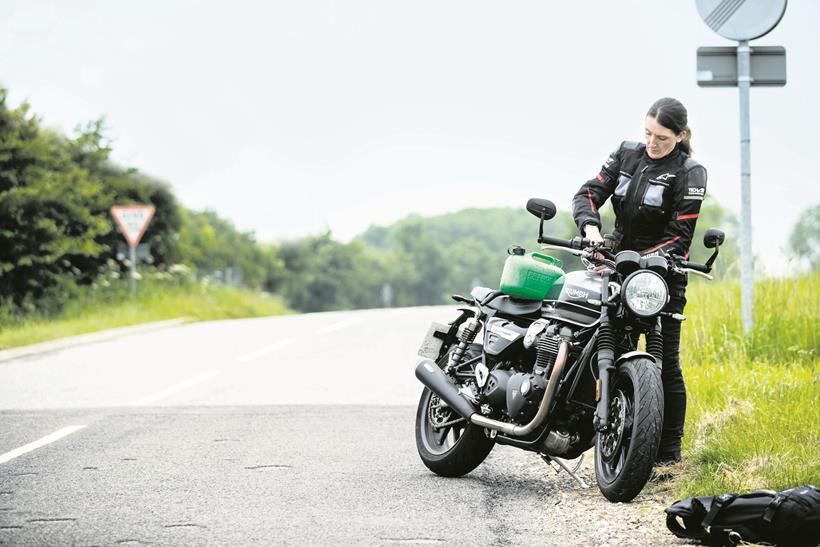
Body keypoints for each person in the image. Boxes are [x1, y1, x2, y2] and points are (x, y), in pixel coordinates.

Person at [571, 97, 707, 464]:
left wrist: (646, 260)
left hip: (663, 275)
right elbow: (588, 193)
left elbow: (681, 234)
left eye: (661, 138)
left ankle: (667, 458)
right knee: (594, 339)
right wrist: (591, 228)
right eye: (647, 133)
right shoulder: (626, 153)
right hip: (613, 263)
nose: (652, 143)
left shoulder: (691, 172)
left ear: (680, 136)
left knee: (667, 363)